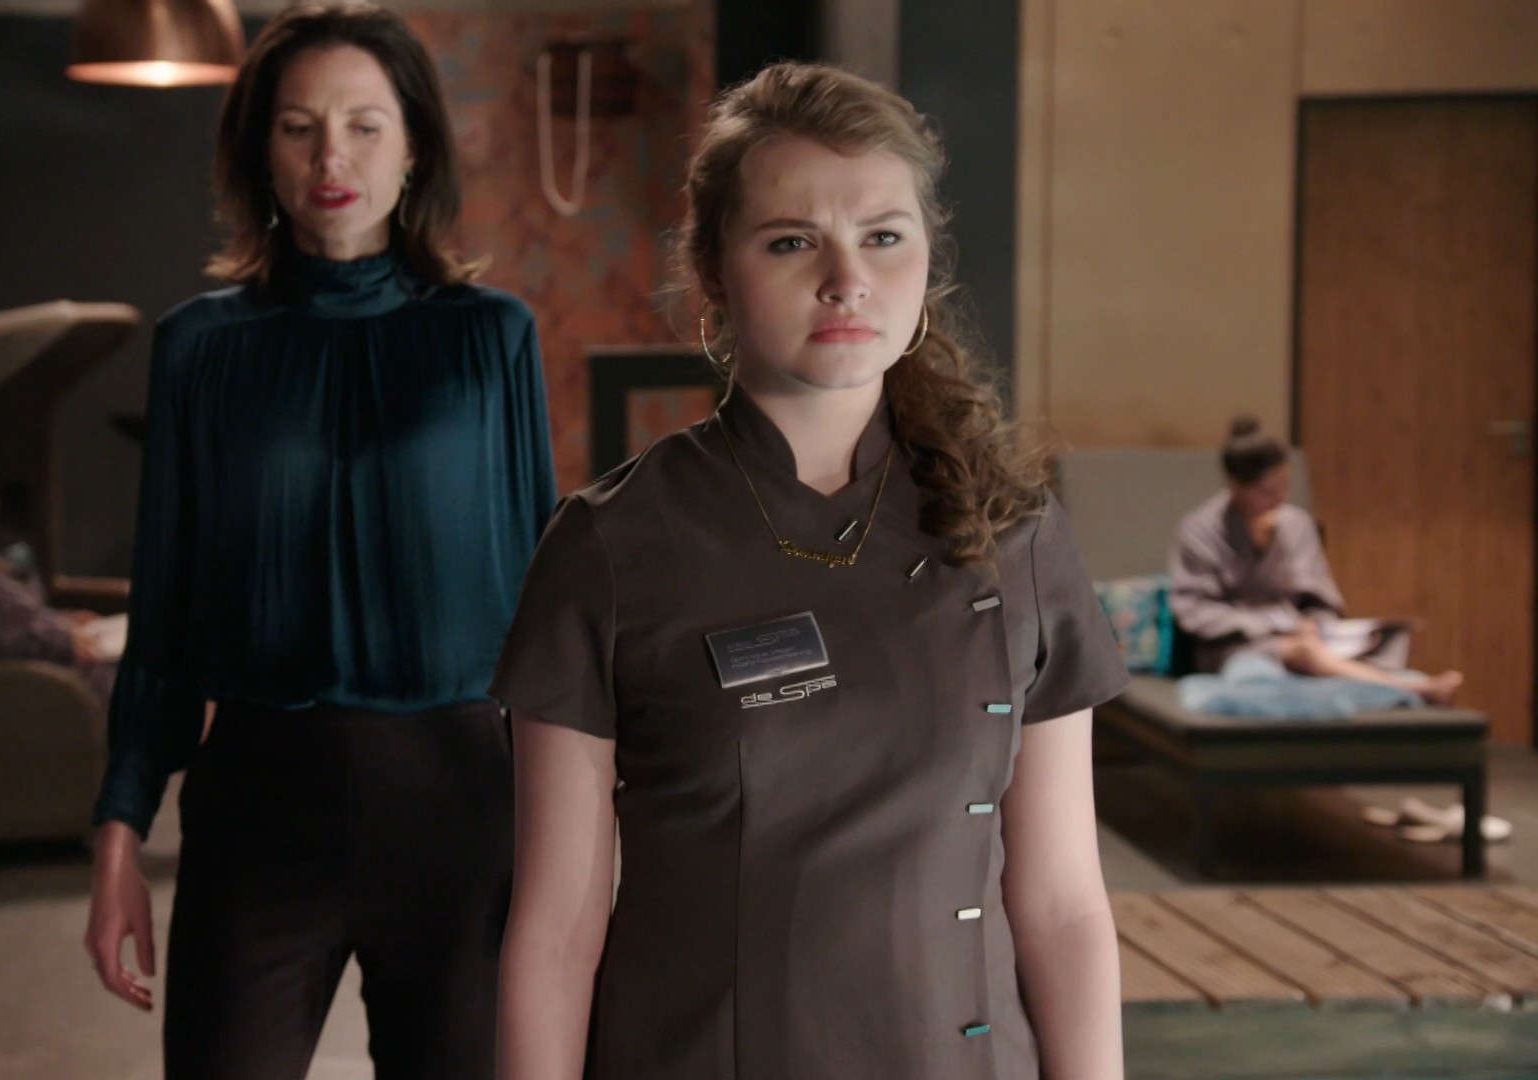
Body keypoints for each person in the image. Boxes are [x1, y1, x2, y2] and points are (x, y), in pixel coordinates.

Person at [493, 63, 1129, 1080]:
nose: (847, 279)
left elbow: (1061, 906)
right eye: (792, 241)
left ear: (927, 259)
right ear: (713, 273)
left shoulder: (1014, 533)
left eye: (883, 236)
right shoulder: (608, 547)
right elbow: (559, 926)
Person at [82, 5, 558, 1079]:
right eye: (298, 127)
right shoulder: (199, 349)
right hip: (257, 811)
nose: (330, 157)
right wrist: (119, 833)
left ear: (414, 147)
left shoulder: (492, 339)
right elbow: (163, 614)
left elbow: (548, 610)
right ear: (261, 150)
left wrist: (580, 842)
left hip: (460, 814)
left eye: (363, 126)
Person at [1168, 416, 1463, 704]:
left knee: (1374, 642)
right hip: (1234, 644)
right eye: (1266, 492)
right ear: (1235, 487)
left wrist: (1312, 623)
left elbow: (1320, 599)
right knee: (1293, 660)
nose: (1279, 500)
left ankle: (1383, 683)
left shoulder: (1296, 524)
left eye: (1285, 487)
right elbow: (1195, 610)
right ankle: (1412, 689)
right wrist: (1270, 624)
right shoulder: (1201, 530)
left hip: (1305, 636)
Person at [0, 449, 114, 703]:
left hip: (63, 671)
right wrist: (65, 640)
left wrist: (64, 621)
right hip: (34, 689)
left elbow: (21, 616)